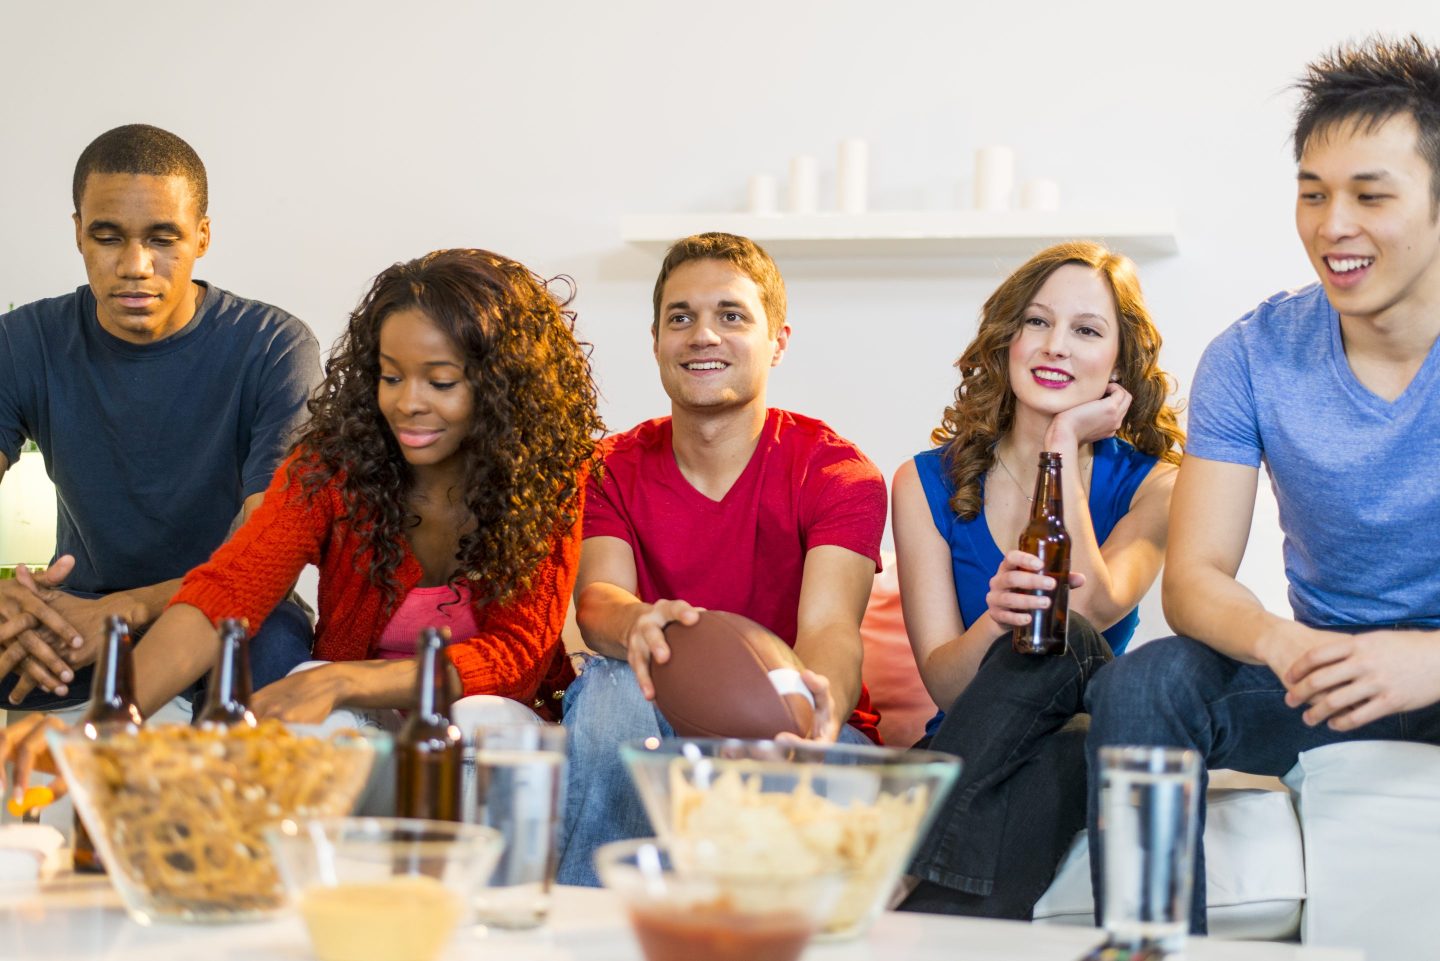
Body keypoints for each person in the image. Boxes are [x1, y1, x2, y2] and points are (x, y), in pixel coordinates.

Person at [0, 249, 604, 802]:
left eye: (439, 381)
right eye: (391, 376)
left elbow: (514, 656)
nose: (408, 402)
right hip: (363, 718)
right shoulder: (332, 467)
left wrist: (344, 683)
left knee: (474, 725)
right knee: (305, 710)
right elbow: (228, 592)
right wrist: (102, 726)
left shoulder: (550, 479)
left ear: (501, 386)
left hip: (487, 718)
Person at [1085, 35, 1440, 934]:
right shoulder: (1251, 356)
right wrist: (1284, 646)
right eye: (1313, 193)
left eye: (1371, 194)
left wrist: (1424, 660)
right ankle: (1150, 945)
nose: (1333, 225)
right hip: (1322, 673)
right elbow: (1197, 576)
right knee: (1142, 685)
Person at [555, 232, 887, 886]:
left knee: (828, 765)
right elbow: (599, 602)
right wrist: (637, 624)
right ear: (655, 341)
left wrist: (811, 714)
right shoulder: (607, 468)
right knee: (609, 683)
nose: (703, 334)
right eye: (681, 317)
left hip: (796, 736)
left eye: (731, 315)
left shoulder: (839, 473)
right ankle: (593, 926)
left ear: (778, 341)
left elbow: (829, 629)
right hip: (648, 719)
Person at [891, 241, 1183, 919]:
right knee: (1053, 761)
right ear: (1007, 337)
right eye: (1037, 322)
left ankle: (897, 865)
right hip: (974, 740)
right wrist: (996, 619)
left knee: (1069, 639)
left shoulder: (1160, 485)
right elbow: (945, 686)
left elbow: (1093, 604)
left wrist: (1061, 448)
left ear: (1120, 361)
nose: (1055, 346)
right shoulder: (922, 482)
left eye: (1086, 330)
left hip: (1075, 709)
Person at [0, 124, 320, 713]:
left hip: (236, 613)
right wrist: (7, 601)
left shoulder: (274, 346)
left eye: (163, 238)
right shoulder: (23, 343)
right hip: (78, 614)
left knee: (269, 672)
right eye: (107, 236)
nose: (135, 265)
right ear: (77, 234)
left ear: (202, 235)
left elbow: (264, 552)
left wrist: (128, 608)